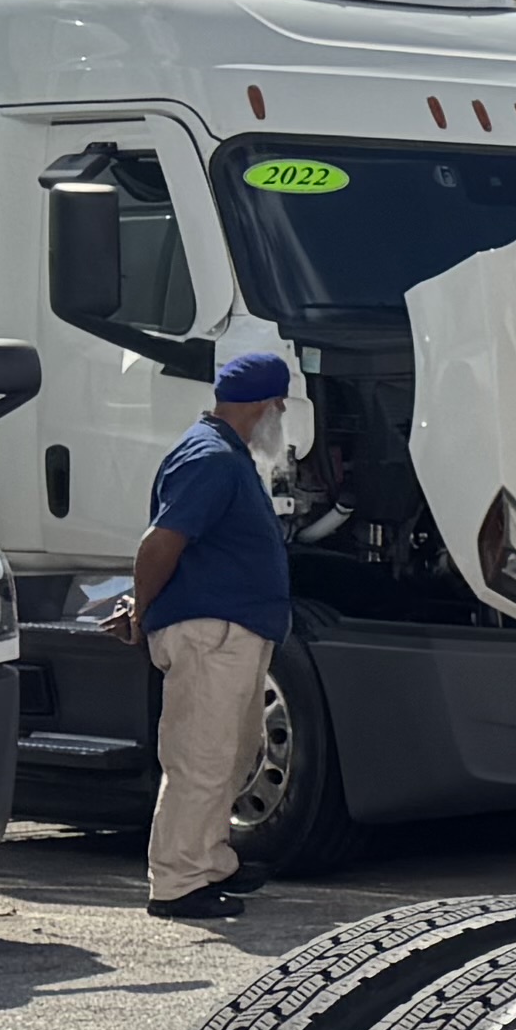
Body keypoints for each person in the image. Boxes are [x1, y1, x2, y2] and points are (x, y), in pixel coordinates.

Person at [99, 351, 297, 920]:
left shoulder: (220, 454)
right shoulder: (211, 458)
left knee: (233, 754)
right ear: (264, 404)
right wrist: (142, 610)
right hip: (213, 635)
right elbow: (161, 542)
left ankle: (208, 864)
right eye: (279, 403)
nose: (281, 414)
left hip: (230, 631)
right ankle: (179, 882)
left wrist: (143, 604)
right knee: (203, 758)